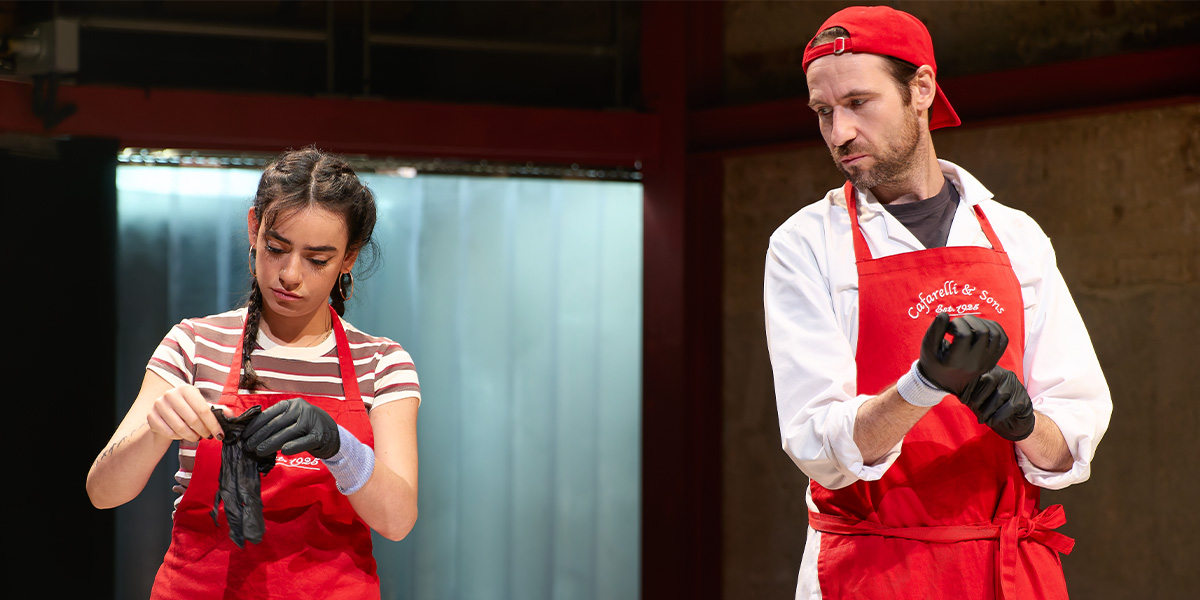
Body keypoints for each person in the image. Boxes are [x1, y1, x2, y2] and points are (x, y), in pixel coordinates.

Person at [764, 6, 1112, 599]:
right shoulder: (806, 244)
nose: (840, 133)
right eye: (824, 113)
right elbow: (819, 448)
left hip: (1006, 569)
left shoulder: (1015, 235)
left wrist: (1022, 422)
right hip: (870, 569)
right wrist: (924, 385)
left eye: (857, 103)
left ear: (921, 88)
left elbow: (1069, 444)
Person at [86, 148, 421, 599]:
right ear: (253, 228)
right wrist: (156, 430)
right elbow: (103, 492)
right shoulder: (193, 343)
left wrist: (340, 448)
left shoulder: (381, 364)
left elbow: (397, 522)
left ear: (349, 258)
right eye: (276, 248)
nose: (290, 275)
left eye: (317, 259)